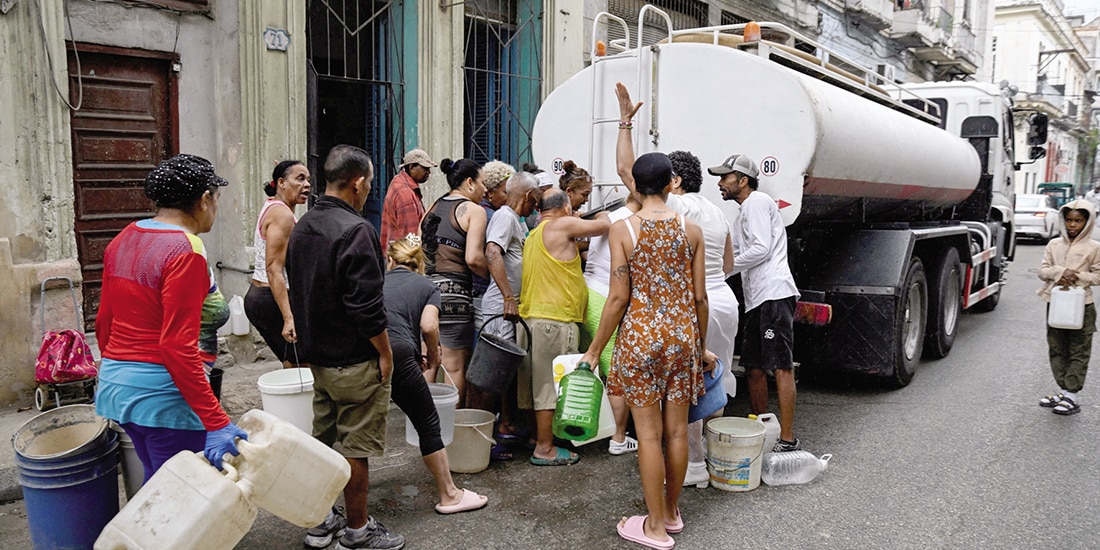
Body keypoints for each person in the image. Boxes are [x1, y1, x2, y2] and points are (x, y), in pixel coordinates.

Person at [580, 152, 713, 549]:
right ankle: (671, 513)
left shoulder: (624, 229)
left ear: (635, 186)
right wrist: (700, 349)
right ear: (673, 181)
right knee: (677, 432)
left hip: (639, 339)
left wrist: (594, 349)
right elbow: (701, 298)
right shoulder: (691, 230)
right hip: (681, 339)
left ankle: (653, 527)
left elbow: (618, 297)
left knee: (649, 436)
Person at [614, 83, 740, 480]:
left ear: (675, 182)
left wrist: (625, 124)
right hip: (726, 302)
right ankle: (715, 459)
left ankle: (696, 467)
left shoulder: (678, 208)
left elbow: (626, 173)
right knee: (714, 383)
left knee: (683, 397)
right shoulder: (718, 213)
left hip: (692, 309)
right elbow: (730, 261)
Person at [95, 154, 247, 481]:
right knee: (181, 498)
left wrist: (120, 372)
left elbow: (104, 321)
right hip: (163, 395)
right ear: (205, 200)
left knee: (158, 486)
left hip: (117, 388)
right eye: (217, 199)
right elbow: (177, 346)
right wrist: (216, 419)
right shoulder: (185, 251)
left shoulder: (124, 237)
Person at [286, 145, 404, 550]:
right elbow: (366, 307)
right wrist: (385, 353)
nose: (369, 189)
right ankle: (357, 530)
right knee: (356, 446)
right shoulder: (356, 230)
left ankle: (320, 523)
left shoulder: (304, 225)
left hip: (318, 359)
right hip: (353, 359)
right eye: (369, 182)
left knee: (322, 440)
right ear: (357, 183)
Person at [383, 235, 490, 512]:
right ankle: (450, 495)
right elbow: (429, 326)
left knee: (358, 426)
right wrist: (433, 354)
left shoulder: (377, 282)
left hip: (368, 352)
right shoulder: (426, 285)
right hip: (402, 353)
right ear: (418, 263)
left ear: (390, 260)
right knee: (428, 422)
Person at [711, 153, 802, 452]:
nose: (721, 183)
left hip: (773, 294)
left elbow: (761, 249)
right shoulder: (741, 214)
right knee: (752, 367)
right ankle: (761, 428)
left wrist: (728, 268)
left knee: (780, 366)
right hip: (756, 299)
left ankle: (787, 439)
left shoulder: (758, 202)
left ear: (743, 180)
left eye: (725, 177)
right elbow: (731, 256)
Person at [519, 188, 610, 466]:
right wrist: (598, 213)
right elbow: (605, 225)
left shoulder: (535, 232)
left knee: (532, 385)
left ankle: (537, 437)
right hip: (554, 321)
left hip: (530, 319)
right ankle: (545, 449)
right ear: (566, 207)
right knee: (549, 387)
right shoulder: (563, 224)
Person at [470, 171, 540, 459]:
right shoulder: (505, 216)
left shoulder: (517, 221)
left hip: (509, 310)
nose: (536, 206)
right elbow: (492, 253)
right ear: (527, 196)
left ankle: (506, 425)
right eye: (535, 200)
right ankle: (482, 440)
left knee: (506, 374)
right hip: (501, 308)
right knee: (492, 375)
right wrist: (509, 297)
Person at [420, 158, 489, 407]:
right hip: (454, 297)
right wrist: (492, 276)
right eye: (483, 184)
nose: (485, 190)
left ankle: (423, 427)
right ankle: (452, 432)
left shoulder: (433, 207)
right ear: (469, 183)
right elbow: (473, 258)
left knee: (428, 362)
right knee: (454, 368)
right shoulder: (474, 211)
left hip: (425, 292)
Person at [244, 160, 311, 367]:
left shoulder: (275, 206)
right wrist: (288, 317)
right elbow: (274, 269)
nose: (307, 184)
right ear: (281, 183)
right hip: (270, 299)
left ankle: (294, 399)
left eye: (308, 179)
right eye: (300, 179)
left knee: (293, 359)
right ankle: (297, 400)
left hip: (263, 297)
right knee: (300, 361)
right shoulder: (282, 214)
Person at [1037, 199, 1100, 416]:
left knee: (1078, 350)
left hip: (1083, 305)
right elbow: (1042, 270)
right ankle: (1063, 391)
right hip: (1056, 304)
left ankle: (1072, 395)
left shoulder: (1094, 248)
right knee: (1057, 347)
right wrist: (1059, 273)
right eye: (1070, 220)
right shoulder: (1054, 244)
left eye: (1079, 221)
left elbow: (1098, 276)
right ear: (1063, 221)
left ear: (1087, 222)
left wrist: (1077, 277)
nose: (1073, 225)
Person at [472, 160, 515, 332]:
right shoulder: (492, 217)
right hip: (485, 290)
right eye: (506, 192)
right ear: (490, 192)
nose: (510, 197)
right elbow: (485, 255)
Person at [380, 148, 436, 248]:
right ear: (412, 167)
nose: (429, 172)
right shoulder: (405, 194)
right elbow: (411, 236)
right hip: (403, 255)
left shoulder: (399, 180)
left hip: (394, 250)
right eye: (425, 168)